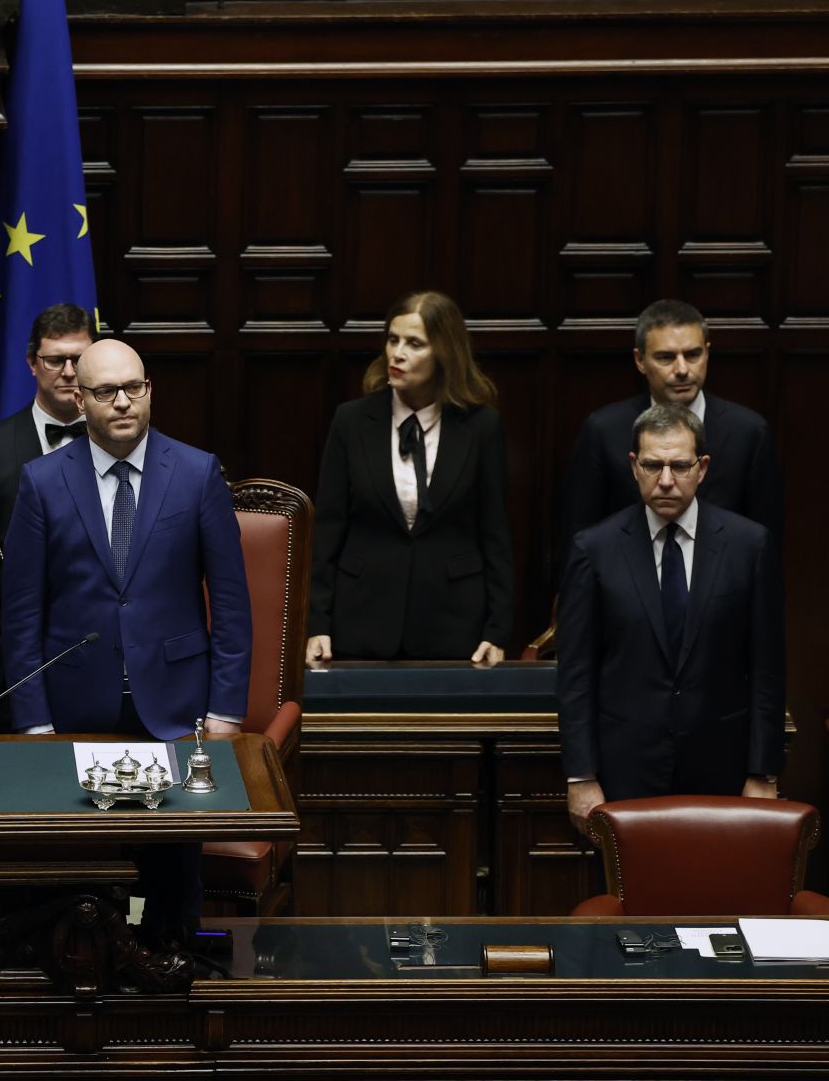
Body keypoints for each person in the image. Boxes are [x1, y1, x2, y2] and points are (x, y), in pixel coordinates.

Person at [0, 338, 251, 934]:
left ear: (149, 392)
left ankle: (171, 976)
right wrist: (33, 722)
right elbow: (22, 614)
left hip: (176, 705)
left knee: (172, 869)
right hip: (75, 707)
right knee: (80, 871)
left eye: (132, 389)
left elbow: (233, 607)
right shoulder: (41, 481)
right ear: (79, 400)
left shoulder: (195, 471)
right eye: (106, 392)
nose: (122, 403)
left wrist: (225, 712)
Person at [556, 403, 784, 833]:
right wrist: (581, 775)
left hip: (724, 767)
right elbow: (576, 673)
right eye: (652, 465)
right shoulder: (595, 549)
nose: (665, 480)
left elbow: (767, 668)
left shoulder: (749, 546)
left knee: (718, 894)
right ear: (633, 465)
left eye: (679, 466)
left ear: (703, 467)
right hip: (625, 769)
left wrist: (763, 772)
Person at [305, 291, 513, 667]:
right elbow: (327, 530)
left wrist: (496, 631)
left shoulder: (481, 427)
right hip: (361, 622)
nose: (397, 353)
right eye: (392, 339)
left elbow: (495, 533)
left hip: (452, 627)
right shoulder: (352, 422)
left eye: (414, 344)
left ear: (445, 352)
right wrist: (316, 623)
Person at [0, 302, 96, 729]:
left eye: (79, 359)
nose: (68, 371)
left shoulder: (122, 444)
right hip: (10, 666)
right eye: (55, 359)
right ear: (32, 362)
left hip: (104, 661)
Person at [558, 299, 782, 566]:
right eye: (666, 357)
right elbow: (580, 530)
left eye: (693, 354)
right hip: (628, 590)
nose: (683, 370)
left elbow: (766, 543)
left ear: (707, 353)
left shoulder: (749, 432)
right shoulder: (604, 430)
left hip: (722, 595)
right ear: (640, 360)